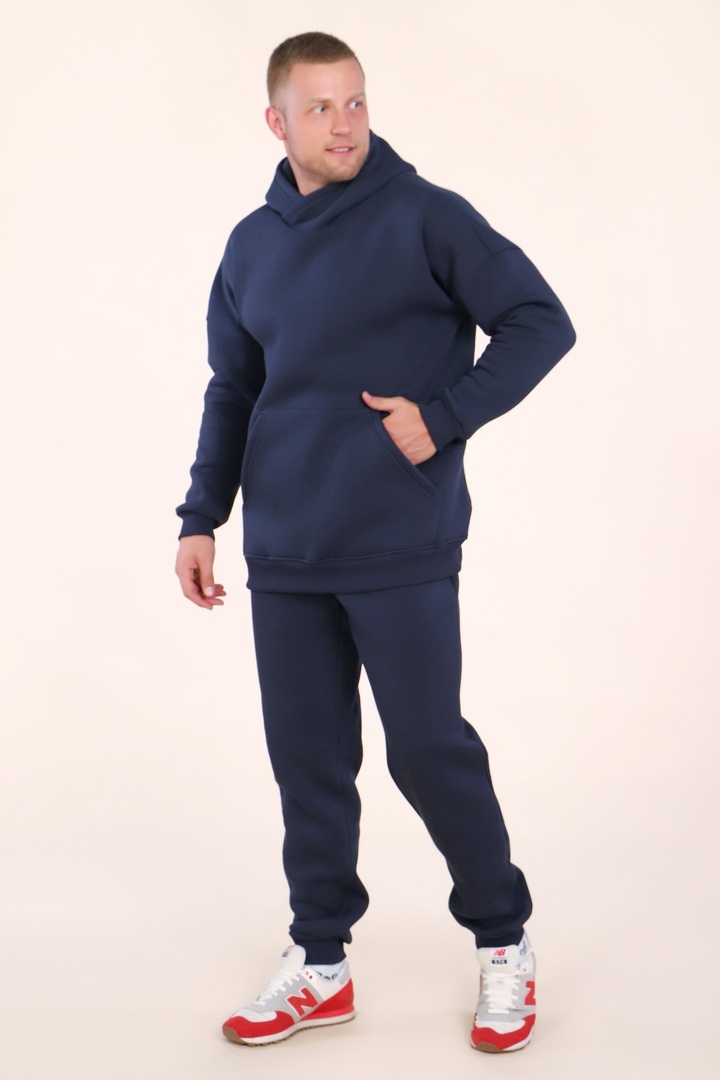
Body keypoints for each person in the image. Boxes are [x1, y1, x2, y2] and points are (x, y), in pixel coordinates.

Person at [175, 31, 575, 1053]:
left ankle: (504, 939)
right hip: (287, 549)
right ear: (277, 122)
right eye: (321, 108)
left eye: (355, 102)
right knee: (308, 762)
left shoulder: (426, 215)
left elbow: (539, 321)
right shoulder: (250, 246)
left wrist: (444, 417)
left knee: (429, 750)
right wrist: (201, 515)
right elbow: (233, 389)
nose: (345, 124)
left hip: (399, 539)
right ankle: (321, 962)